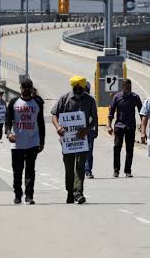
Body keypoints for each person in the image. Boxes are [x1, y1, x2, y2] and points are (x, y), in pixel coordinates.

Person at [51, 75, 98, 204]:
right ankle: (70, 192)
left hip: (82, 140)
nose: (78, 89)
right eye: (75, 87)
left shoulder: (90, 100)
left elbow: (94, 119)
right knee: (69, 167)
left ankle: (78, 192)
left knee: (81, 166)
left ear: (83, 87)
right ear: (72, 86)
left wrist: (87, 129)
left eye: (80, 87)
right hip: (67, 141)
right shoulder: (64, 99)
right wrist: (58, 127)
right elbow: (54, 114)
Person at [5, 79, 45, 205]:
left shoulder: (37, 102)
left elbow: (41, 123)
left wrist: (42, 141)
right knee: (17, 171)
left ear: (32, 88)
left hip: (33, 141)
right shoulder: (13, 102)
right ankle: (17, 195)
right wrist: (9, 133)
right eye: (24, 87)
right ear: (20, 88)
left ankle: (29, 196)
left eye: (29, 86)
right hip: (17, 143)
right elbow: (7, 121)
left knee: (30, 170)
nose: (27, 89)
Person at [107, 78, 143, 178]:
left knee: (129, 149)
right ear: (122, 86)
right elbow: (111, 113)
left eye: (128, 86)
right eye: (124, 86)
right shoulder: (117, 97)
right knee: (117, 147)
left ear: (130, 86)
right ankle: (116, 170)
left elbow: (142, 111)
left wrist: (142, 124)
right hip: (119, 126)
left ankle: (128, 171)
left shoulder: (135, 97)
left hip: (130, 126)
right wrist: (109, 126)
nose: (126, 88)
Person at [83, 81, 97, 179]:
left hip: (90, 130)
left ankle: (88, 171)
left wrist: (96, 129)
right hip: (78, 130)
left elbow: (95, 116)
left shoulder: (92, 100)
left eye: (86, 89)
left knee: (89, 151)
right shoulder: (74, 99)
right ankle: (80, 170)